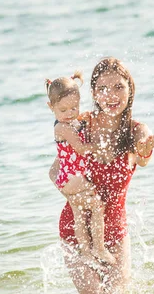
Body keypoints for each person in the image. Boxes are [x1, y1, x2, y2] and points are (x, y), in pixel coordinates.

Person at [49, 57, 154, 293]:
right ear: (94, 94)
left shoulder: (137, 131)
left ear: (131, 88)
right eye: (103, 89)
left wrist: (145, 150)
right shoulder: (80, 126)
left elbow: (144, 158)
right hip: (76, 230)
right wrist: (72, 196)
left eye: (119, 87)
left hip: (116, 232)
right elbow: (55, 170)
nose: (111, 95)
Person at [45, 71, 116, 265]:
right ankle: (99, 248)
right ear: (51, 107)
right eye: (63, 110)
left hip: (69, 178)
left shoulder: (71, 121)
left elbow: (79, 124)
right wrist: (102, 146)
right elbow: (82, 149)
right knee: (97, 206)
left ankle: (85, 252)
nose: (69, 114)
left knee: (79, 214)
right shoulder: (62, 128)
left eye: (74, 107)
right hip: (72, 178)